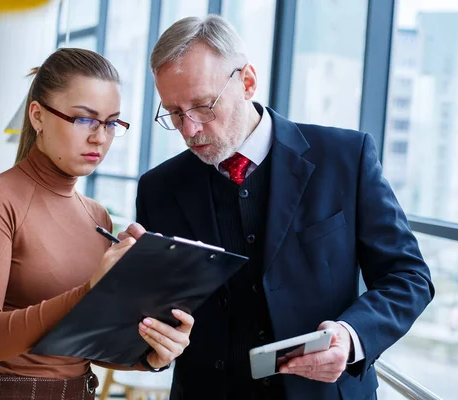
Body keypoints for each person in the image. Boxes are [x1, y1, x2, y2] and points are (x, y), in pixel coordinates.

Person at [120, 15, 434, 400]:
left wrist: (351, 337)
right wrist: (128, 293)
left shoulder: (345, 159)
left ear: (247, 82)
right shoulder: (158, 188)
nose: (189, 130)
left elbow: (409, 276)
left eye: (203, 106)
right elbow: (153, 327)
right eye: (173, 112)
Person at [0, 48, 194, 400]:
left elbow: (85, 346)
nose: (100, 137)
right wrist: (87, 292)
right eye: (84, 119)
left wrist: (152, 354)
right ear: (37, 115)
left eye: (112, 123)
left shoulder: (98, 217)